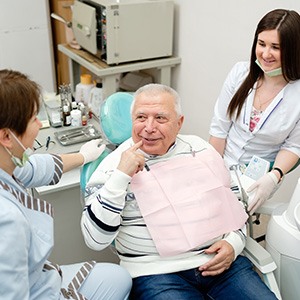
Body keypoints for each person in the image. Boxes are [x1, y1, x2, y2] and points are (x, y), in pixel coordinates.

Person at [81, 83, 277, 299]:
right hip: (155, 272)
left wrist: (234, 243)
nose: (149, 127)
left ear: (179, 122)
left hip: (221, 262)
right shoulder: (112, 167)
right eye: (141, 118)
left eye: (160, 118)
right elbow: (95, 240)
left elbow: (235, 205)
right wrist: (120, 177)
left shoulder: (200, 149)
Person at [0, 69, 132, 299]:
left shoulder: (9, 163)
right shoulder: (6, 221)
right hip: (32, 292)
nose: (39, 126)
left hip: (39, 277)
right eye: (33, 119)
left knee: (120, 278)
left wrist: (83, 156)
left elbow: (33, 167)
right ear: (6, 137)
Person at [209, 9, 300, 215]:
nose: (266, 54)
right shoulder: (240, 73)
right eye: (262, 44)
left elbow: (294, 146)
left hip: (260, 176)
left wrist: (274, 176)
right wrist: (214, 171)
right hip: (221, 160)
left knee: (225, 216)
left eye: (276, 47)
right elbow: (219, 128)